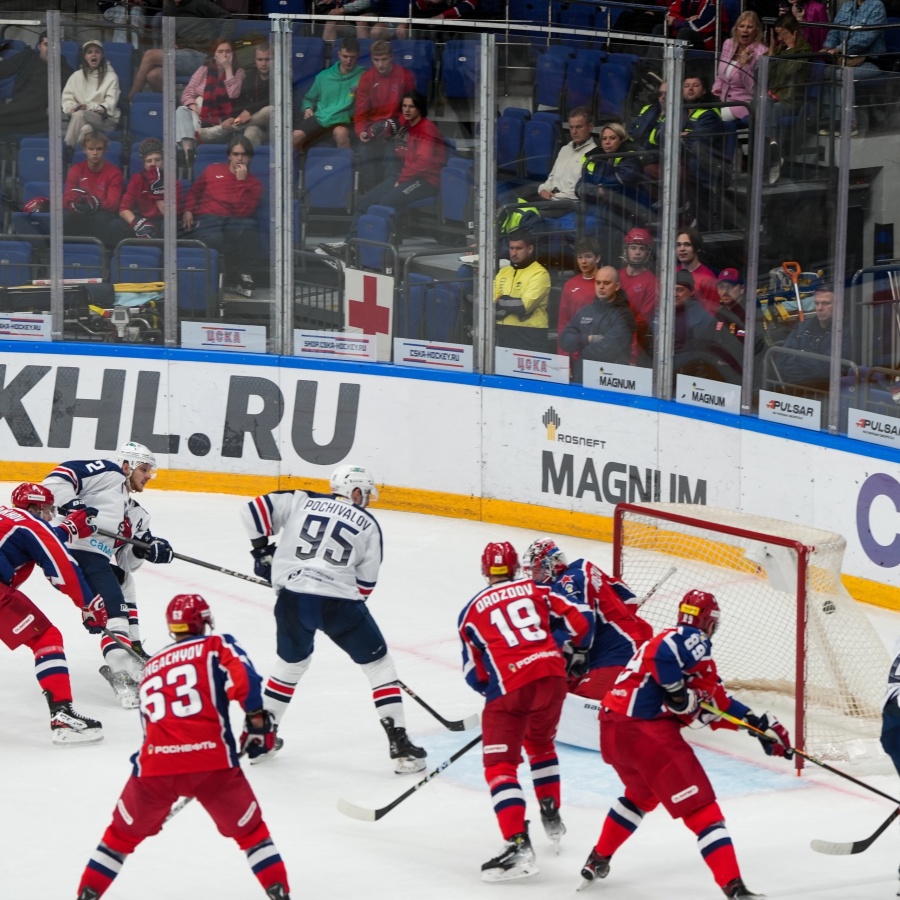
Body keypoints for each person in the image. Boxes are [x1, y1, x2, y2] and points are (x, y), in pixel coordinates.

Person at [74, 593, 291, 900]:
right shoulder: (216, 646)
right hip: (212, 764)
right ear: (204, 622)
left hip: (155, 769)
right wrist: (258, 722)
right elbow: (245, 680)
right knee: (252, 835)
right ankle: (280, 894)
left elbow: (151, 729)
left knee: (118, 838)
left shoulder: (151, 668)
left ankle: (86, 895)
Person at [579, 590, 792, 899]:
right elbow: (665, 657)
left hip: (612, 729)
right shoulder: (689, 639)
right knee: (704, 811)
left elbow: (715, 704)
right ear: (709, 622)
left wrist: (755, 725)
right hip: (644, 732)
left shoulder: (687, 657)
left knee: (640, 796)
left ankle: (597, 859)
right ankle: (735, 888)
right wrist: (677, 692)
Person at [240, 464, 427, 775]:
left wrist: (262, 554)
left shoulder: (301, 499)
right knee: (379, 666)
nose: (365, 500)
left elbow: (253, 510)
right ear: (355, 491)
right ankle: (401, 747)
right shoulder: (368, 524)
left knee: (290, 665)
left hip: (292, 600)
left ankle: (261, 740)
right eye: (364, 494)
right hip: (339, 605)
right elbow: (365, 585)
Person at [458, 541, 590, 882]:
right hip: (553, 679)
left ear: (485, 571)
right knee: (542, 745)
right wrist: (563, 648)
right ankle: (550, 810)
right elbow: (581, 620)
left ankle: (517, 844)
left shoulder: (470, 612)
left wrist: (498, 700)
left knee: (500, 766)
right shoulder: (537, 590)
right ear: (516, 567)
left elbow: (474, 674)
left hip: (511, 690)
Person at [42, 441, 175, 709]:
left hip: (95, 560)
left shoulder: (137, 514)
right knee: (112, 603)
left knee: (125, 582)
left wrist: (147, 551)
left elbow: (127, 562)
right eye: (145, 469)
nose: (149, 476)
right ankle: (120, 671)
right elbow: (56, 480)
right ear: (127, 466)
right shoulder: (108, 473)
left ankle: (133, 649)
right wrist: (73, 505)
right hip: (70, 550)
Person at [1, 483, 106, 745]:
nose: (50, 516)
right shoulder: (29, 523)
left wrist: (67, 529)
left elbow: (35, 540)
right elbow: (61, 564)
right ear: (35, 507)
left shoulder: (9, 518)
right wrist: (88, 604)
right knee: (46, 637)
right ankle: (62, 716)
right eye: (48, 510)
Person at [317, 91, 446, 259]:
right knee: (365, 203)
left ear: (420, 109)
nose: (407, 110)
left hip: (426, 180)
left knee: (386, 203)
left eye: (411, 107)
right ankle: (350, 246)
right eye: (404, 106)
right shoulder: (407, 128)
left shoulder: (426, 128)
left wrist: (402, 179)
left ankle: (379, 251)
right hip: (406, 176)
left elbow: (423, 163)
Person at [523, 538, 653, 702]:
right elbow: (629, 599)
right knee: (562, 693)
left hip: (620, 651)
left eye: (537, 570)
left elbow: (583, 624)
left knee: (582, 704)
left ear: (552, 565)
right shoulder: (583, 565)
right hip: (621, 643)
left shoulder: (565, 583)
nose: (534, 576)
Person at [181, 134, 263, 298]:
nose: (240, 158)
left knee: (250, 230)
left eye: (244, 154)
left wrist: (241, 182)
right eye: (236, 154)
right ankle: (223, 270)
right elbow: (194, 191)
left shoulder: (254, 184)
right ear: (229, 155)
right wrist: (188, 210)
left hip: (234, 221)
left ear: (250, 158)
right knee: (213, 239)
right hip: (208, 218)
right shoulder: (212, 169)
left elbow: (242, 212)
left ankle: (244, 274)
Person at [128, 0, 232, 99]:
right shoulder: (170, 8)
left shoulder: (200, 3)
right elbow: (176, 32)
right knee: (153, 75)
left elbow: (228, 19)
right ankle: (175, 107)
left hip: (203, 55)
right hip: (183, 53)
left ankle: (131, 99)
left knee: (150, 55)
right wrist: (174, 42)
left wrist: (219, 44)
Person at [353, 40, 416, 191]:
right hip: (373, 127)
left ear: (391, 57)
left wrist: (396, 127)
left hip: (398, 127)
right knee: (365, 151)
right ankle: (369, 195)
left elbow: (410, 109)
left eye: (384, 59)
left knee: (391, 151)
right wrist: (362, 130)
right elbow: (360, 111)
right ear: (371, 59)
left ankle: (389, 194)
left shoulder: (405, 76)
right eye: (376, 60)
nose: (380, 64)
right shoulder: (366, 78)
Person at [175, 38, 245, 169]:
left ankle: (188, 154)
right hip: (199, 115)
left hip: (221, 119)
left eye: (228, 52)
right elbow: (187, 92)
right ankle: (188, 152)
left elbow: (232, 94)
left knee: (191, 127)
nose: (224, 55)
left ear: (233, 54)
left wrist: (228, 68)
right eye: (220, 52)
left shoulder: (239, 72)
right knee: (181, 111)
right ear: (214, 54)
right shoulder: (204, 69)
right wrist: (195, 108)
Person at [560, 266, 638, 382]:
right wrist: (587, 339)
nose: (601, 287)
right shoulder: (585, 310)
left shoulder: (624, 315)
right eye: (598, 283)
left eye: (606, 283)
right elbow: (565, 340)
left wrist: (581, 352)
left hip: (611, 379)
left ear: (616, 286)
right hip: (582, 376)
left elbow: (608, 349)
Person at [820, 0, 886, 136]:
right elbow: (834, 30)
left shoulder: (877, 6)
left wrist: (837, 49)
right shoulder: (847, 5)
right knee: (826, 72)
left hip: (870, 61)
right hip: (844, 59)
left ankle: (850, 123)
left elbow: (866, 38)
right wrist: (828, 47)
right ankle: (830, 119)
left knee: (842, 76)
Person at [293, 37, 364, 153]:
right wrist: (307, 108)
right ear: (339, 54)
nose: (348, 61)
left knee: (341, 133)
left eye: (352, 57)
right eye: (345, 56)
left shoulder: (363, 76)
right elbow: (308, 99)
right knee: (294, 136)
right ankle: (296, 169)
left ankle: (347, 169)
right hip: (321, 117)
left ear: (358, 56)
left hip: (343, 120)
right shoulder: (324, 76)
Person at [765, 13, 813, 184]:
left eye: (783, 33)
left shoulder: (804, 50)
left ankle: (773, 154)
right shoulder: (778, 49)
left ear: (793, 32)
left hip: (790, 100)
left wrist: (792, 48)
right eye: (778, 34)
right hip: (773, 97)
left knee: (765, 110)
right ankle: (774, 152)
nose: (780, 38)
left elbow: (789, 72)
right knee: (761, 106)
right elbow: (764, 76)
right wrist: (770, 54)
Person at [775, 284, 851, 389]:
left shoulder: (846, 331)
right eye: (816, 303)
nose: (819, 308)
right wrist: (809, 361)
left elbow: (826, 369)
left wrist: (799, 355)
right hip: (797, 391)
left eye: (826, 303)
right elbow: (782, 360)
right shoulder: (802, 327)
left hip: (829, 394)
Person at [576, 122, 646, 233]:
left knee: (586, 228)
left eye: (612, 138)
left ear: (621, 139)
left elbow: (620, 181)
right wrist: (596, 190)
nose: (607, 142)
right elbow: (579, 187)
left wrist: (601, 189)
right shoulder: (594, 158)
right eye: (604, 139)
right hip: (596, 208)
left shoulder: (631, 157)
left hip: (623, 212)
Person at [0, 32, 73, 135]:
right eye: (46, 45)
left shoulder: (65, 70)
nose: (51, 49)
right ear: (39, 46)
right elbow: (4, 69)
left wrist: (57, 106)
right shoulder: (27, 57)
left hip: (39, 116)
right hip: (17, 109)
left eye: (55, 46)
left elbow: (69, 96)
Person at [62, 130, 123, 249]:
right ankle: (68, 252)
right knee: (65, 216)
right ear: (84, 150)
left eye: (99, 149)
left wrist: (95, 202)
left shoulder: (114, 172)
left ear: (104, 151)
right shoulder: (76, 170)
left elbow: (113, 204)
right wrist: (74, 204)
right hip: (80, 212)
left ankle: (100, 254)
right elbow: (66, 199)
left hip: (101, 213)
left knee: (102, 218)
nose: (95, 153)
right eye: (91, 149)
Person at [115, 136, 183, 242]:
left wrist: (157, 187)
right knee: (116, 225)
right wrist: (138, 224)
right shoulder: (137, 179)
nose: (153, 164)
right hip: (143, 219)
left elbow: (170, 214)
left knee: (170, 227)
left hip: (163, 220)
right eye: (149, 161)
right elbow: (123, 209)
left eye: (157, 160)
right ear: (144, 164)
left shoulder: (173, 181)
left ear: (163, 161)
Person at [493, 229, 551, 353]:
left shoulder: (540, 273)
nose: (514, 253)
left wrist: (500, 301)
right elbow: (490, 303)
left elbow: (523, 306)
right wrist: (506, 304)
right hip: (502, 332)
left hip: (529, 334)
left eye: (519, 248)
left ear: (529, 249)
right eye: (511, 248)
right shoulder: (504, 271)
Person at [61, 39, 121, 150]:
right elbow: (67, 99)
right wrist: (71, 108)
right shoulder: (76, 76)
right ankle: (76, 158)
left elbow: (109, 106)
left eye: (97, 52)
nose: (93, 54)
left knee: (80, 115)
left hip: (106, 120)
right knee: (86, 129)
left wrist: (88, 107)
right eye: (89, 52)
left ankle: (65, 150)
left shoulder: (111, 77)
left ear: (102, 55)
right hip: (83, 119)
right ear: (85, 56)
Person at [712, 12, 767, 124]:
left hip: (744, 103)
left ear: (756, 31)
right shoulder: (729, 44)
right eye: (741, 26)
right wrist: (715, 91)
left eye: (750, 27)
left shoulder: (761, 52)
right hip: (722, 100)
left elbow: (754, 89)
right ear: (736, 29)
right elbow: (721, 74)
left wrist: (744, 66)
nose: (745, 30)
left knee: (711, 119)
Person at [536, 107, 596, 202]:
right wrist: (543, 190)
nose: (574, 132)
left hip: (569, 204)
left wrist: (554, 197)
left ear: (590, 127)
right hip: (551, 199)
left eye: (579, 127)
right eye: (571, 127)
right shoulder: (565, 149)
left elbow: (580, 190)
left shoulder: (593, 154)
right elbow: (551, 178)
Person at [557, 238, 602, 356]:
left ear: (597, 258)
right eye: (580, 257)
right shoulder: (570, 285)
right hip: (576, 351)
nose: (583, 261)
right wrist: (563, 356)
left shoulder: (606, 282)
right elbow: (563, 322)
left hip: (602, 350)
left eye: (588, 256)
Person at [618, 227, 658, 361]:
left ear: (647, 252)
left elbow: (644, 319)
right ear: (627, 250)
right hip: (612, 341)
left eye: (642, 248)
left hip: (637, 347)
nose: (637, 252)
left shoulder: (652, 281)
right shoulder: (616, 276)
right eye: (633, 247)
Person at [671, 268, 716, 375]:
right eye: (672, 289)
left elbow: (699, 354)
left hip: (686, 375)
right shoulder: (663, 312)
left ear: (691, 292)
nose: (675, 294)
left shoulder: (701, 317)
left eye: (680, 290)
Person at [234, 42, 273, 148]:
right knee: (250, 133)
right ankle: (254, 164)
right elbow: (240, 102)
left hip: (277, 128)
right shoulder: (250, 77)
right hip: (257, 125)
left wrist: (249, 110)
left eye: (268, 59)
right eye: (260, 60)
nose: (264, 64)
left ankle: (232, 127)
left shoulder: (281, 76)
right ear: (255, 61)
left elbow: (273, 100)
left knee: (270, 110)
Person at [676, 227, 719, 315]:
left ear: (697, 248)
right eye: (678, 245)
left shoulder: (708, 278)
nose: (681, 249)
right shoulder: (671, 273)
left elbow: (711, 315)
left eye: (687, 244)